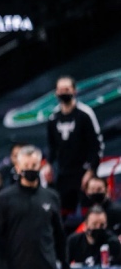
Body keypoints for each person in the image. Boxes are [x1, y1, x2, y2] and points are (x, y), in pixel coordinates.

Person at [0, 144, 68, 269]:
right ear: (17, 167)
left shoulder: (51, 196)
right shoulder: (4, 199)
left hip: (47, 265)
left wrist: (64, 263)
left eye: (34, 165)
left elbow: (59, 236)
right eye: (26, 166)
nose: (30, 169)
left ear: (40, 165)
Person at [44, 75, 104, 218]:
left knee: (90, 213)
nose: (64, 92)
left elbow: (97, 145)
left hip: (84, 173)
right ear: (56, 93)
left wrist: (90, 171)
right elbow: (52, 147)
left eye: (67, 89)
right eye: (60, 90)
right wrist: (49, 165)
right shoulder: (53, 118)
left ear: (74, 91)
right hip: (64, 174)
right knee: (60, 214)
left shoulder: (85, 114)